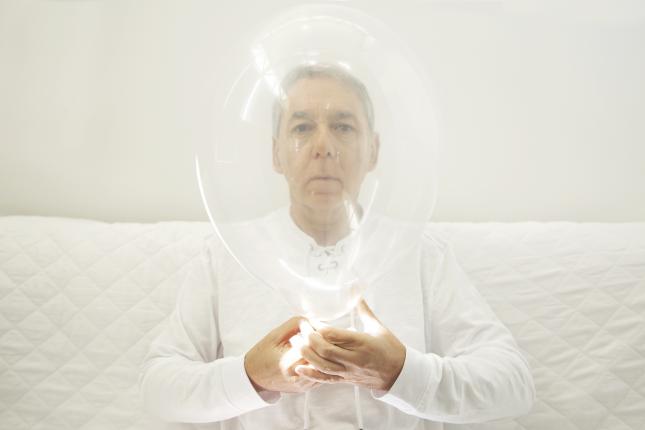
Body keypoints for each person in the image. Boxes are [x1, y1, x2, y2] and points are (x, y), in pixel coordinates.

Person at [139, 64, 536, 429]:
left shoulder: (419, 253)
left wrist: (399, 372)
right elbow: (157, 388)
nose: (323, 146)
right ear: (276, 153)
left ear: (373, 150)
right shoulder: (228, 254)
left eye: (343, 127)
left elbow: (513, 383)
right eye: (302, 127)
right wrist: (250, 376)